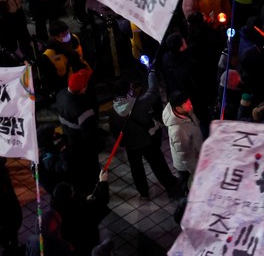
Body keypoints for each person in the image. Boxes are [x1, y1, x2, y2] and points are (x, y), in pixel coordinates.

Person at [109, 71, 179, 200]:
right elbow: (152, 92)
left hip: (131, 145)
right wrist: (151, 73)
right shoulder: (139, 105)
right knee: (158, 164)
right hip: (147, 141)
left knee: (136, 169)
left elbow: (114, 130)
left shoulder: (113, 111)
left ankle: (144, 192)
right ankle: (171, 186)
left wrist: (124, 143)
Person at [55, 68, 102, 193]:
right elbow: (89, 134)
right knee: (91, 168)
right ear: (82, 88)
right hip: (83, 145)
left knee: (80, 166)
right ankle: (96, 189)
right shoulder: (83, 108)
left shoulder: (60, 94)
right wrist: (97, 145)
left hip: (70, 140)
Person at [162, 90, 204, 191]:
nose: (190, 104)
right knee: (187, 186)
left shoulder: (184, 112)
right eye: (187, 103)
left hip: (195, 155)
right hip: (187, 166)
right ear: (177, 108)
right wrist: (196, 168)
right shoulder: (178, 131)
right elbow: (185, 155)